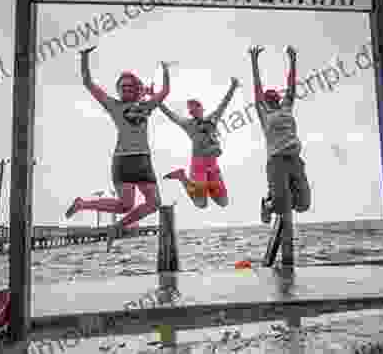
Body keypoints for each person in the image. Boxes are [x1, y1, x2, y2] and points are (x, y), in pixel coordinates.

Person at [65, 46, 170, 252]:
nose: (126, 89)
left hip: (143, 160)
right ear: (118, 89)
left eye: (130, 86)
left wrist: (165, 69)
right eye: (122, 87)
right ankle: (82, 204)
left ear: (137, 88)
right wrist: (85, 58)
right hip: (123, 160)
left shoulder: (146, 106)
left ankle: (116, 227)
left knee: (153, 203)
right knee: (126, 205)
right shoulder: (113, 105)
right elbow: (88, 83)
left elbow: (165, 92)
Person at [247, 45, 311, 224]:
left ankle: (279, 194)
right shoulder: (264, 113)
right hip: (277, 161)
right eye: (268, 98)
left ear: (278, 98)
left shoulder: (287, 108)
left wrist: (293, 60)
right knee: (282, 207)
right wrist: (254, 62)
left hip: (295, 159)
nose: (272, 99)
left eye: (274, 96)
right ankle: (269, 203)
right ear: (266, 101)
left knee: (303, 205)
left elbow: (291, 86)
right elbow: (257, 88)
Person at [159, 77, 240, 208]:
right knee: (201, 204)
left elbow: (224, 104)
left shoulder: (212, 118)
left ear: (201, 108)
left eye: (195, 107)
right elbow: (170, 115)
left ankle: (206, 187)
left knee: (223, 202)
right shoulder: (188, 124)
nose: (192, 111)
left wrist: (233, 87)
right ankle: (182, 177)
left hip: (213, 165)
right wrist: (157, 101)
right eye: (190, 109)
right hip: (198, 165)